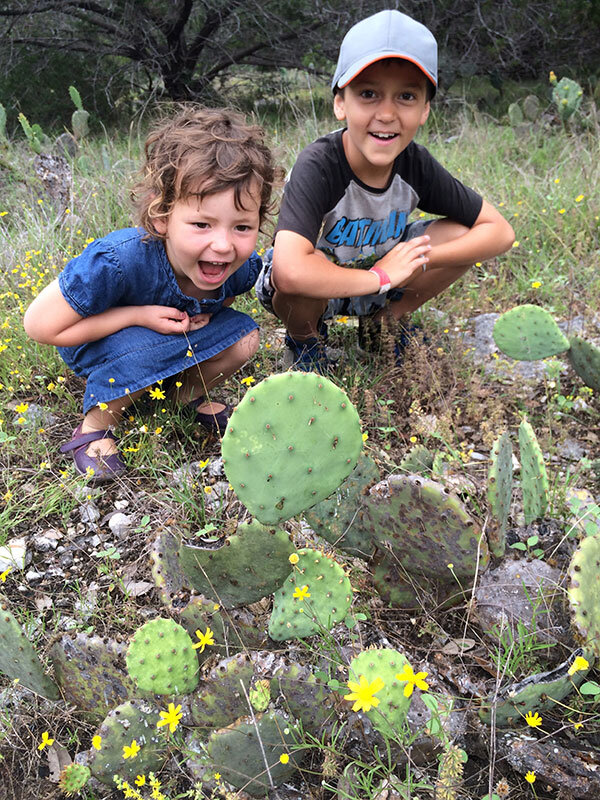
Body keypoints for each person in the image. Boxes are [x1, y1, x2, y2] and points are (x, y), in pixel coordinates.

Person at [23, 107, 278, 481]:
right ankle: (94, 426)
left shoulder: (238, 265)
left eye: (242, 226)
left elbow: (226, 297)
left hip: (165, 338)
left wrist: (209, 312)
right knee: (146, 348)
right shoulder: (120, 260)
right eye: (202, 224)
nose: (223, 245)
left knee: (244, 336)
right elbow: (40, 326)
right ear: (162, 216)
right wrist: (137, 316)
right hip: (94, 342)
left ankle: (181, 397)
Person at [256, 9, 515, 371]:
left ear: (425, 109)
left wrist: (417, 261)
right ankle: (305, 340)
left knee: (461, 233)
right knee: (298, 265)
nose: (388, 113)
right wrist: (381, 276)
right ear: (340, 103)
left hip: (384, 280)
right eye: (368, 94)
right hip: (319, 291)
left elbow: (499, 232)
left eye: (406, 97)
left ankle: (383, 327)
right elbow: (289, 272)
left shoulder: (415, 164)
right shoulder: (320, 165)